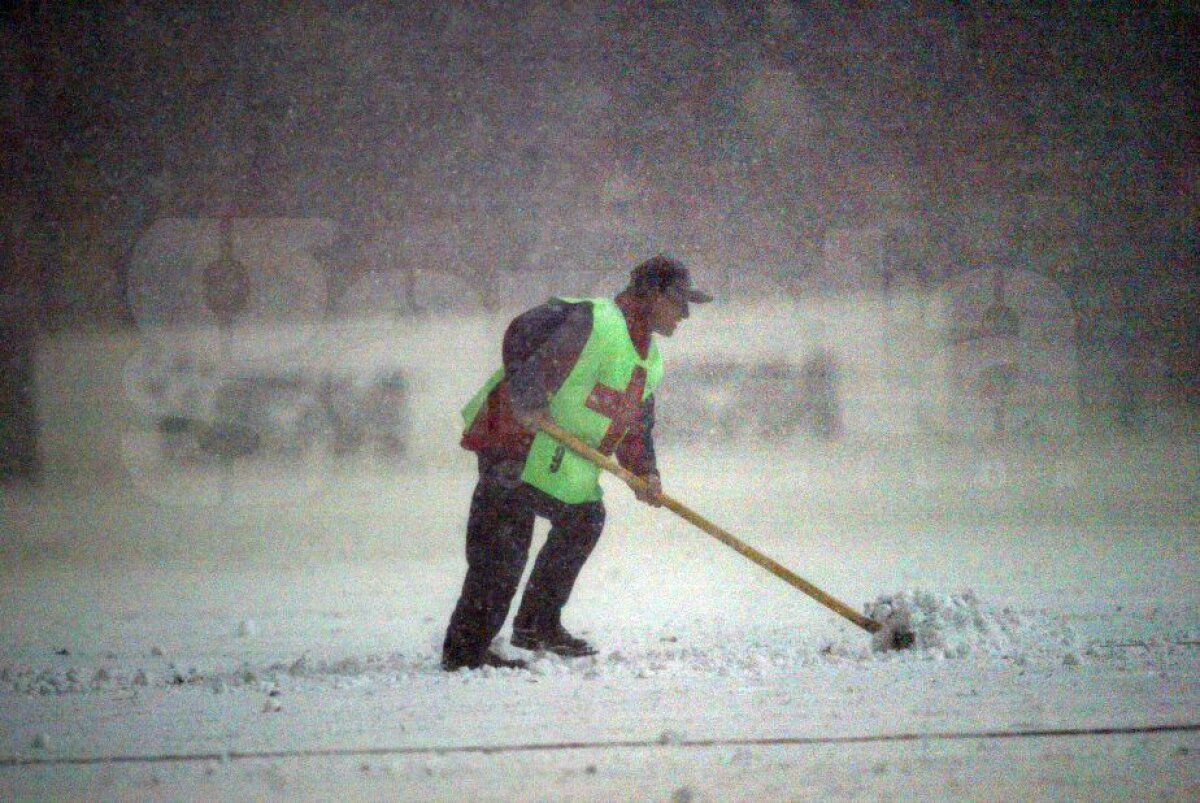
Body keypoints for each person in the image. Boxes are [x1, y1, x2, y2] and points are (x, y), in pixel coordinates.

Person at [441, 255, 713, 670]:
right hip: (515, 442)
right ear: (653, 294)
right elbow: (520, 331)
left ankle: (536, 625)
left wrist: (645, 473)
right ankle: (465, 653)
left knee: (584, 517)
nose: (686, 314)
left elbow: (633, 423)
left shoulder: (648, 360)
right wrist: (528, 397)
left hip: (554, 456)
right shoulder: (593, 322)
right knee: (503, 553)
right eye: (680, 302)